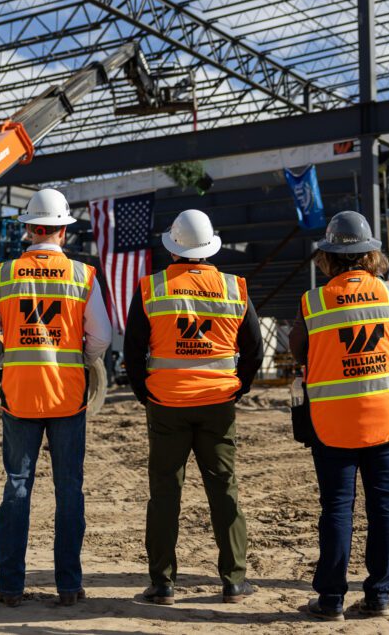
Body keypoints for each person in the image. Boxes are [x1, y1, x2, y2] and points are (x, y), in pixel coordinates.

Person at [0, 188, 112, 607]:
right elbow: (101, 337)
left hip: (19, 397)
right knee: (69, 489)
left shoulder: (4, 274)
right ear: (62, 232)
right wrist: (81, 361)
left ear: (29, 229)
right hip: (68, 398)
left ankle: (10, 587)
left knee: (17, 487)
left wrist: (7, 360)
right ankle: (68, 585)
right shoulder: (82, 276)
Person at [124, 209, 263, 606]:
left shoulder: (151, 288)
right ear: (209, 249)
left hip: (166, 403)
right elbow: (254, 348)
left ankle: (163, 583)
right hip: (218, 403)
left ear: (173, 249)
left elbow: (134, 351)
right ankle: (234, 580)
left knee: (165, 492)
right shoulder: (234, 287)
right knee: (224, 488)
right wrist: (238, 388)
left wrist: (144, 391)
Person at [289, 210, 389, 621]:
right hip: (387, 419)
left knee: (337, 509)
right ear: (369, 253)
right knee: (385, 506)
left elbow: (299, 350)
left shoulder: (313, 301)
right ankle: (379, 595)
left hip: (334, 424)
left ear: (328, 256)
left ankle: (331, 601)